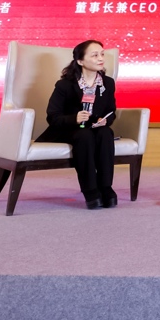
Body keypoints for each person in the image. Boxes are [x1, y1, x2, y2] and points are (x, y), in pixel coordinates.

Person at [37, 40, 117, 209]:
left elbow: (111, 111)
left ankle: (106, 187)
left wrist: (105, 120)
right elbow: (53, 117)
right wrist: (75, 118)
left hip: (94, 128)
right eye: (94, 55)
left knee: (106, 133)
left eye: (102, 54)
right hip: (67, 130)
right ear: (80, 61)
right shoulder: (65, 85)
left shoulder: (108, 83)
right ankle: (90, 190)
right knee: (84, 135)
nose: (100, 58)